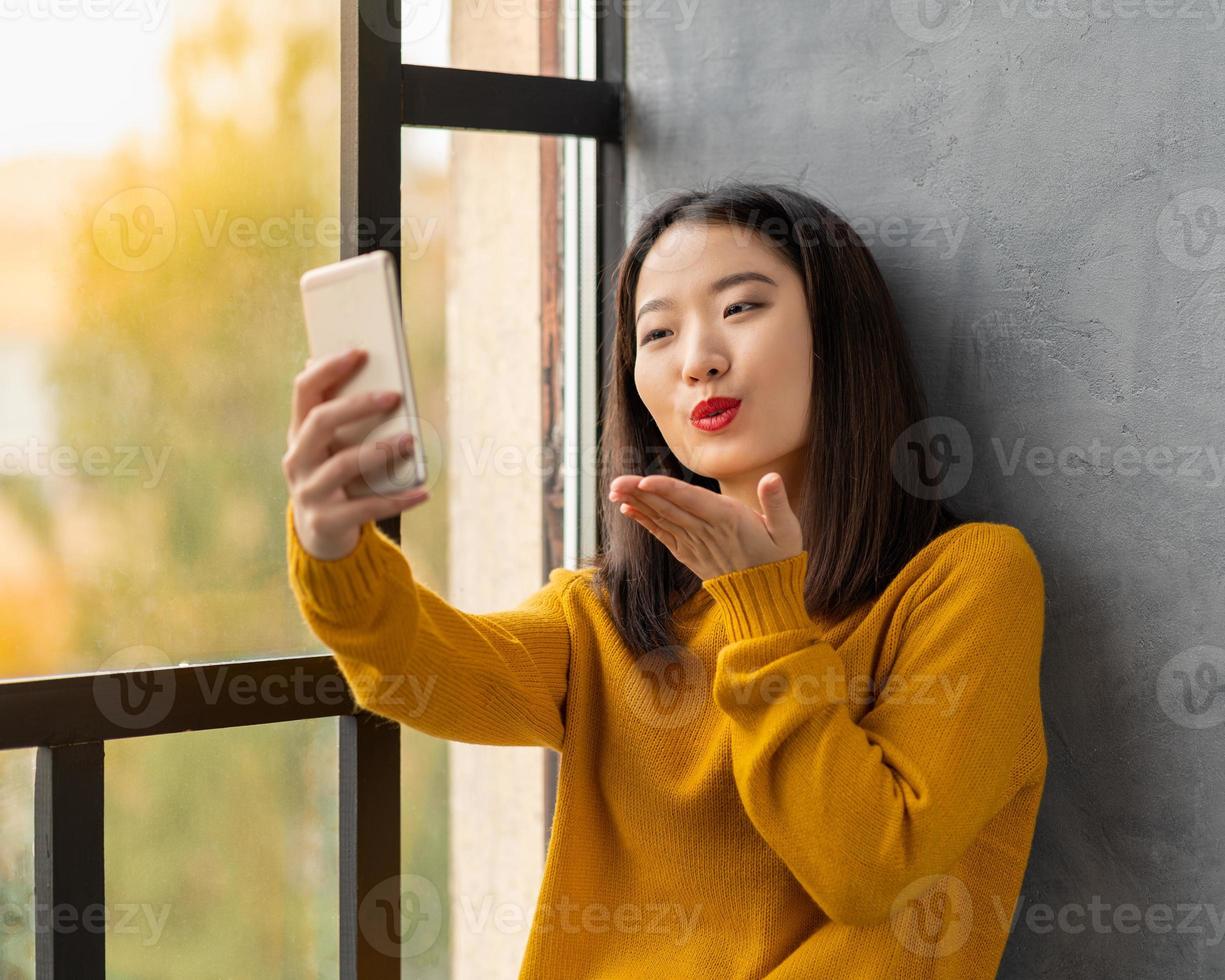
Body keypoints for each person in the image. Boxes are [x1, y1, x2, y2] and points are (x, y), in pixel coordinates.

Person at [282, 180, 1047, 978]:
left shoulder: (966, 581)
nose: (698, 360)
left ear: (837, 335)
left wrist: (764, 610)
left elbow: (870, 869)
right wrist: (333, 548)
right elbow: (416, 666)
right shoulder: (607, 616)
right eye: (657, 333)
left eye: (741, 308)